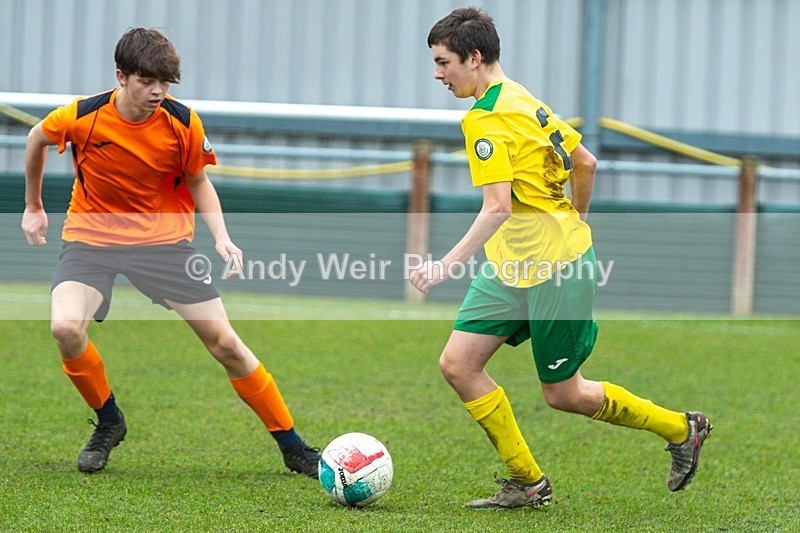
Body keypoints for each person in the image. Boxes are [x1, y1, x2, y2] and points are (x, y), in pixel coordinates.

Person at [412, 7, 712, 509]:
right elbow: (585, 161)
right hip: (512, 265)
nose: (438, 74)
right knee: (458, 364)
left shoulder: (485, 118)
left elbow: (497, 207)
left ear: (475, 57)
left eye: (444, 63)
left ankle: (682, 428)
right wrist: (578, 217)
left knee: (564, 394)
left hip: (555, 269)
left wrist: (444, 265)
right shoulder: (521, 96)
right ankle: (527, 482)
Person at [21, 28, 320, 477]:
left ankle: (293, 446)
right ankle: (108, 422)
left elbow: (199, 181)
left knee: (226, 344)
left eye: (165, 81)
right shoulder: (83, 116)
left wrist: (221, 237)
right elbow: (35, 140)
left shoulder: (182, 121)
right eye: (147, 80)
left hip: (163, 244)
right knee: (65, 327)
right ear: (121, 77)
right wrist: (34, 205)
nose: (157, 91)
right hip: (92, 238)